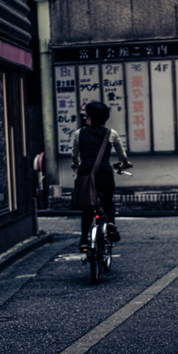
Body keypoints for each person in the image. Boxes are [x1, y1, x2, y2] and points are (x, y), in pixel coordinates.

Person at [71, 101, 132, 251]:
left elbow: (74, 156)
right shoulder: (111, 133)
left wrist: (76, 164)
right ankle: (111, 223)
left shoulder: (79, 133)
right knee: (107, 201)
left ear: (89, 117)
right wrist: (124, 163)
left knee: (87, 208)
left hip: (85, 172)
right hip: (104, 172)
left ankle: (84, 240)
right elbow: (122, 156)